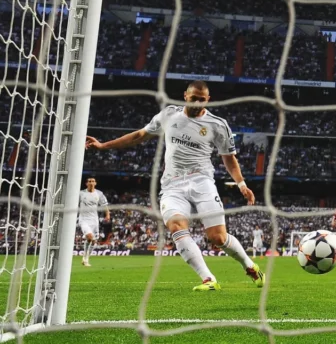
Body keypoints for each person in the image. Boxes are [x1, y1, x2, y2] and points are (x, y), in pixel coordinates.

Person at [85, 80, 264, 291]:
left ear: (208, 100)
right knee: (177, 227)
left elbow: (229, 158)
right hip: (172, 185)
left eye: (202, 99)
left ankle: (250, 266)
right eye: (194, 98)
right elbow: (139, 135)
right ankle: (208, 279)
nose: (197, 102)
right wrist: (104, 145)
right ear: (185, 96)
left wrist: (241, 184)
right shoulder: (169, 115)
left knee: (217, 238)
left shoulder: (218, 125)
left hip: (202, 182)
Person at [77, 177, 109, 267]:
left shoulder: (99, 194)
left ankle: (86, 258)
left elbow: (104, 205)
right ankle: (85, 258)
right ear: (86, 184)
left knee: (94, 242)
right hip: (84, 220)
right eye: (89, 181)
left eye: (93, 181)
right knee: (90, 237)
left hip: (94, 221)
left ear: (96, 183)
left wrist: (107, 215)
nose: (91, 183)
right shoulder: (81, 193)